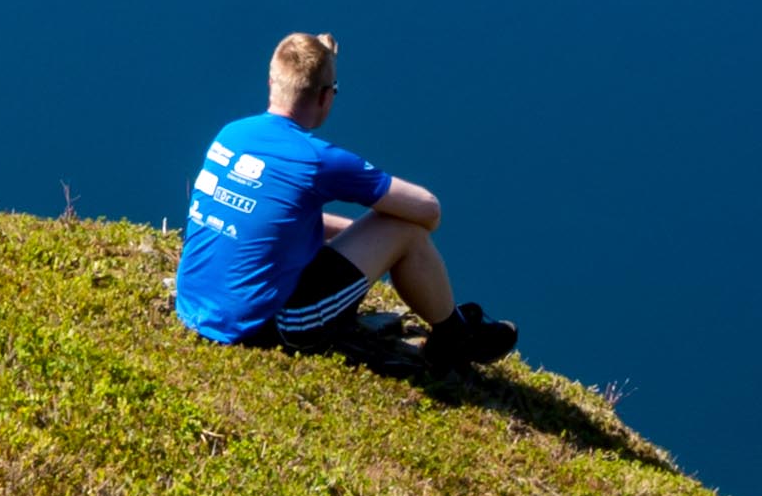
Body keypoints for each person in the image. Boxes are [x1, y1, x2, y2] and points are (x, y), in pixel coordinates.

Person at [172, 29, 516, 366]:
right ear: (325, 97)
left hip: (195, 302)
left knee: (386, 228)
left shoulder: (232, 134)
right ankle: (455, 339)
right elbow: (428, 210)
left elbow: (274, 221)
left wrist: (358, 236)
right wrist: (378, 237)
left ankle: (453, 331)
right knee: (405, 229)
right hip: (267, 326)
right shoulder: (317, 159)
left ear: (272, 85)